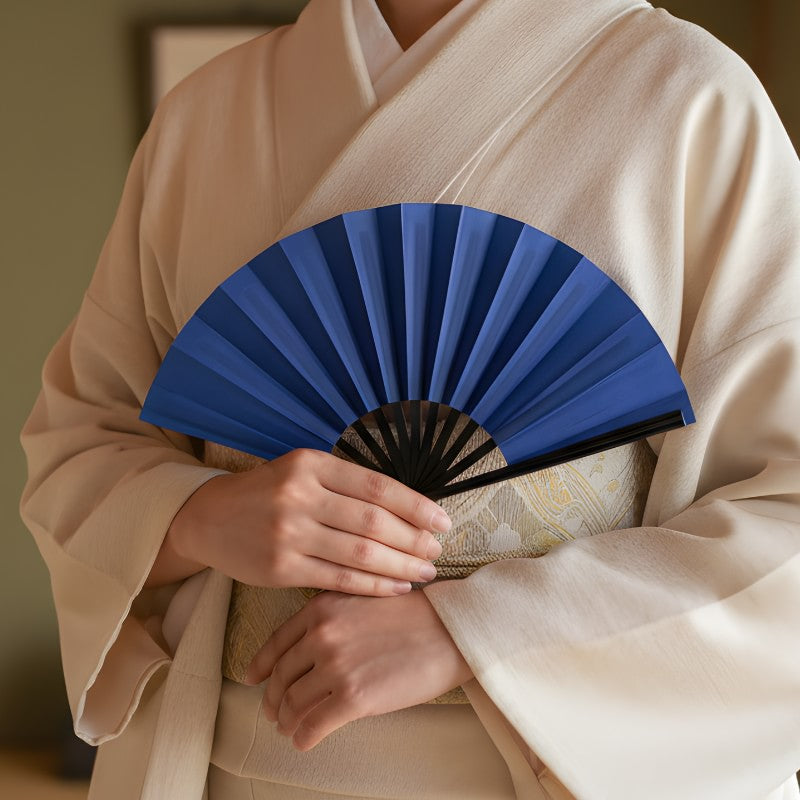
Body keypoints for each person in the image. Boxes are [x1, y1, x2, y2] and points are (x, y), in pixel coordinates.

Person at [20, 0, 800, 797]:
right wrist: (202, 516)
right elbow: (80, 441)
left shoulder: (691, 101)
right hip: (230, 761)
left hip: (538, 770)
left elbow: (787, 514)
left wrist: (479, 633)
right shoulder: (207, 117)